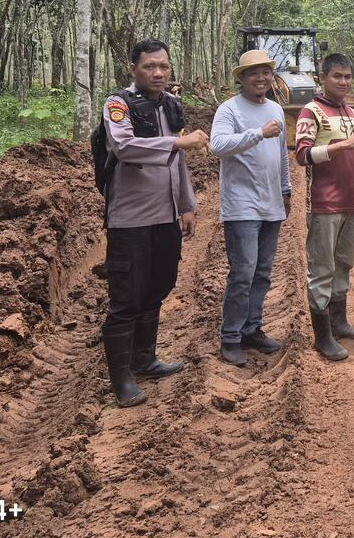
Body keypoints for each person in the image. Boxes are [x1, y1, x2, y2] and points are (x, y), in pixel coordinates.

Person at [99, 39, 207, 407]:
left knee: (158, 288)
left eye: (163, 66)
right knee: (126, 298)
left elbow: (178, 162)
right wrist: (178, 144)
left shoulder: (171, 105)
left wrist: (186, 204)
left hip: (165, 217)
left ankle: (145, 358)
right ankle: (121, 378)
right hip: (129, 220)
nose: (158, 73)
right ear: (133, 69)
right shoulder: (118, 105)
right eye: (149, 66)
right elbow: (124, 148)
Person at [211, 49, 293, 367]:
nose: (261, 78)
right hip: (241, 205)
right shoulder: (229, 109)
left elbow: (282, 154)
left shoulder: (274, 108)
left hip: (272, 202)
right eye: (254, 73)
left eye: (266, 72)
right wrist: (258, 133)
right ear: (241, 78)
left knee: (262, 273)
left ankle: (251, 329)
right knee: (243, 273)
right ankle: (230, 337)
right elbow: (217, 146)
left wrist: (286, 188)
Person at [294, 53, 354, 361]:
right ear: (322, 78)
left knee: (343, 263)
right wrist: (342, 146)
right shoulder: (310, 111)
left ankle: (339, 323)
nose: (343, 81)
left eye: (348, 76)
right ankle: (322, 335)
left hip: (351, 202)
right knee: (322, 268)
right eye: (337, 76)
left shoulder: (352, 113)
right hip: (324, 203)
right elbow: (302, 155)